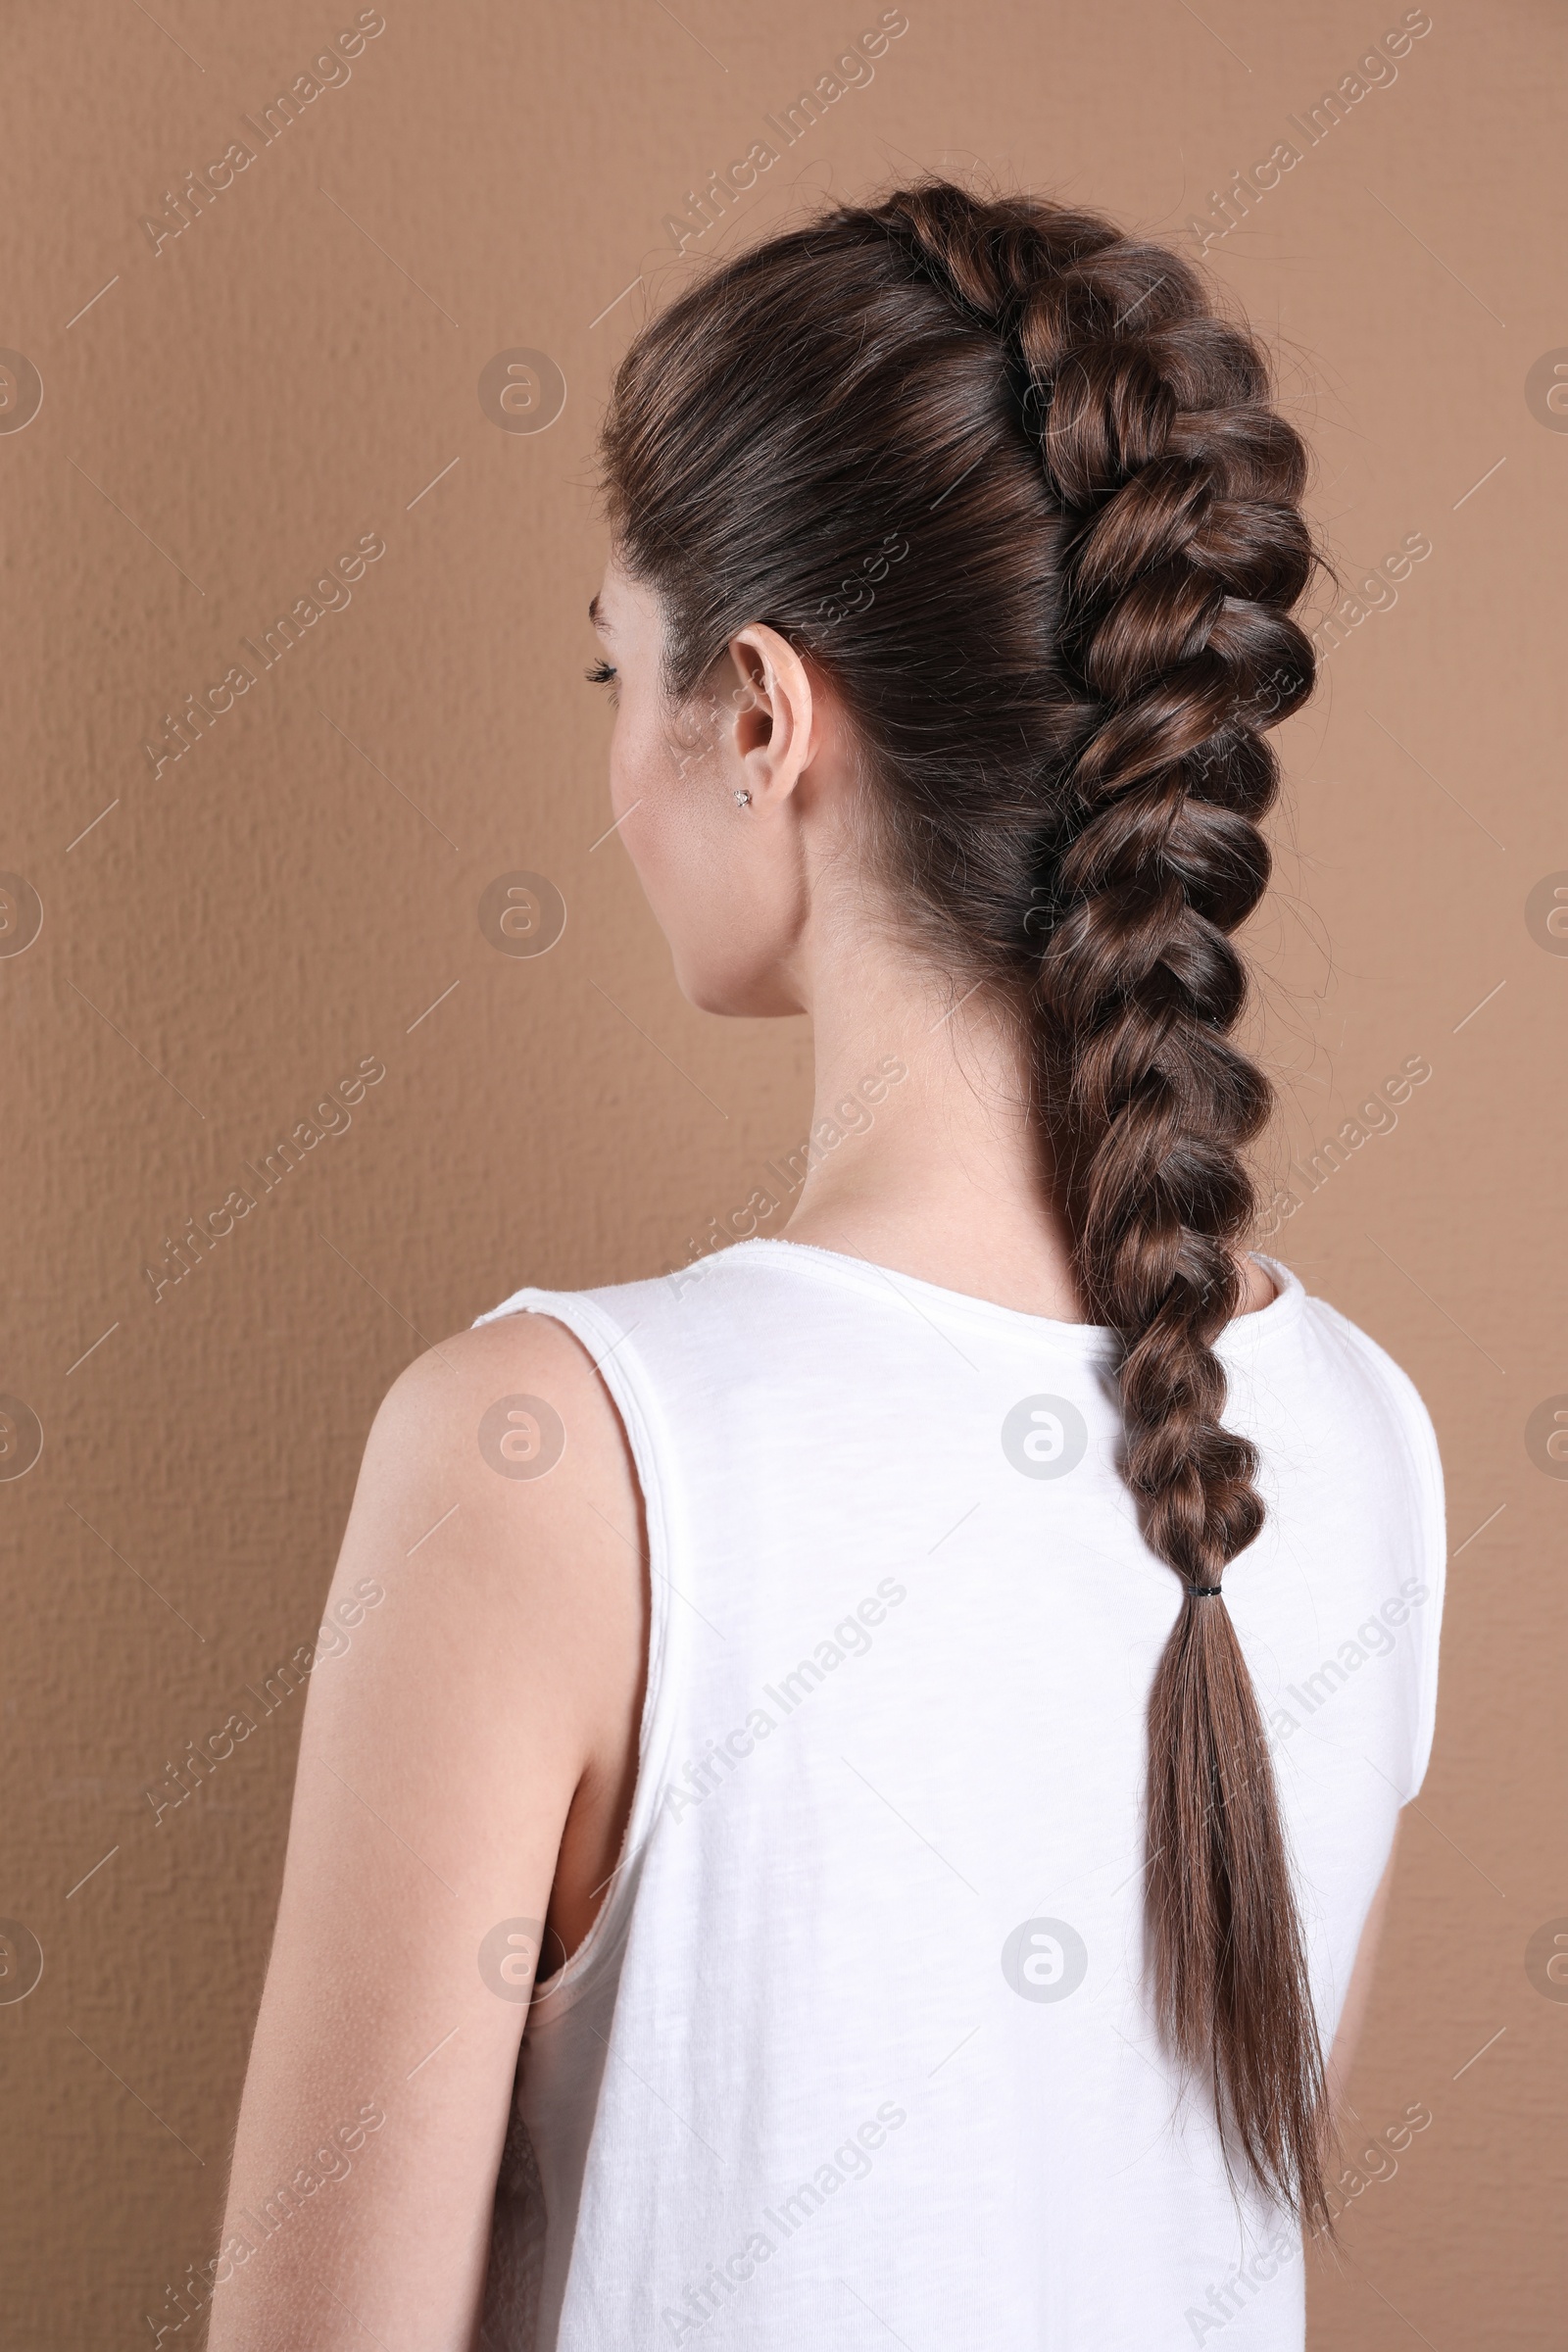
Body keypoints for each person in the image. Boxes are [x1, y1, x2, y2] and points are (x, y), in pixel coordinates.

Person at [208, 180, 1446, 2351]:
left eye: (623, 665)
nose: (615, 757)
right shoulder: (1359, 1436)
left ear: (761, 714)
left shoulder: (540, 1461)